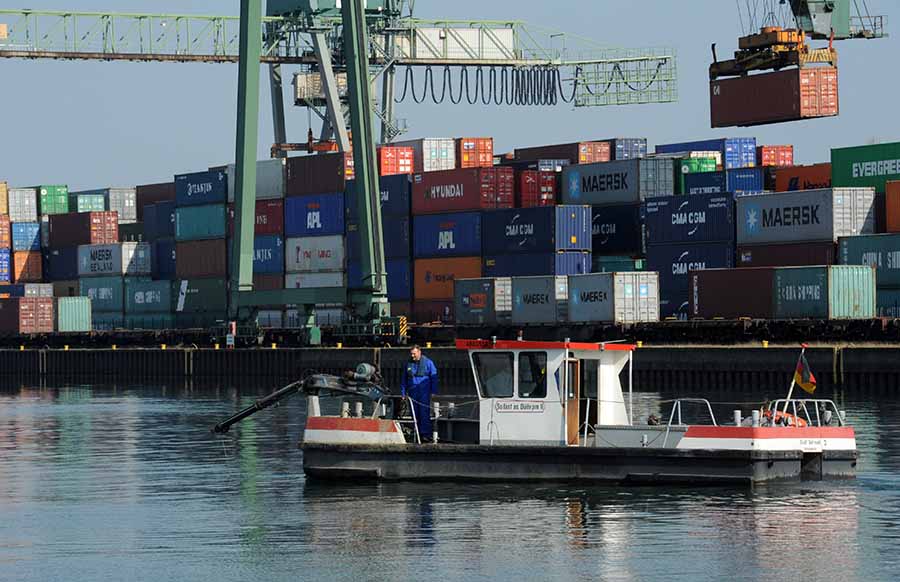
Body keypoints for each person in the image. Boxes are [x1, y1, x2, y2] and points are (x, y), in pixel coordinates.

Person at [400, 345, 439, 442]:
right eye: (411, 354)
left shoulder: (428, 363)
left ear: (419, 352)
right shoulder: (408, 364)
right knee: (414, 414)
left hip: (424, 392)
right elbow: (404, 380)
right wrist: (403, 394)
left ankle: (425, 435)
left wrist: (434, 391)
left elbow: (434, 378)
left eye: (414, 353)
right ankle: (416, 434)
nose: (412, 356)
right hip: (412, 393)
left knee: (424, 413)